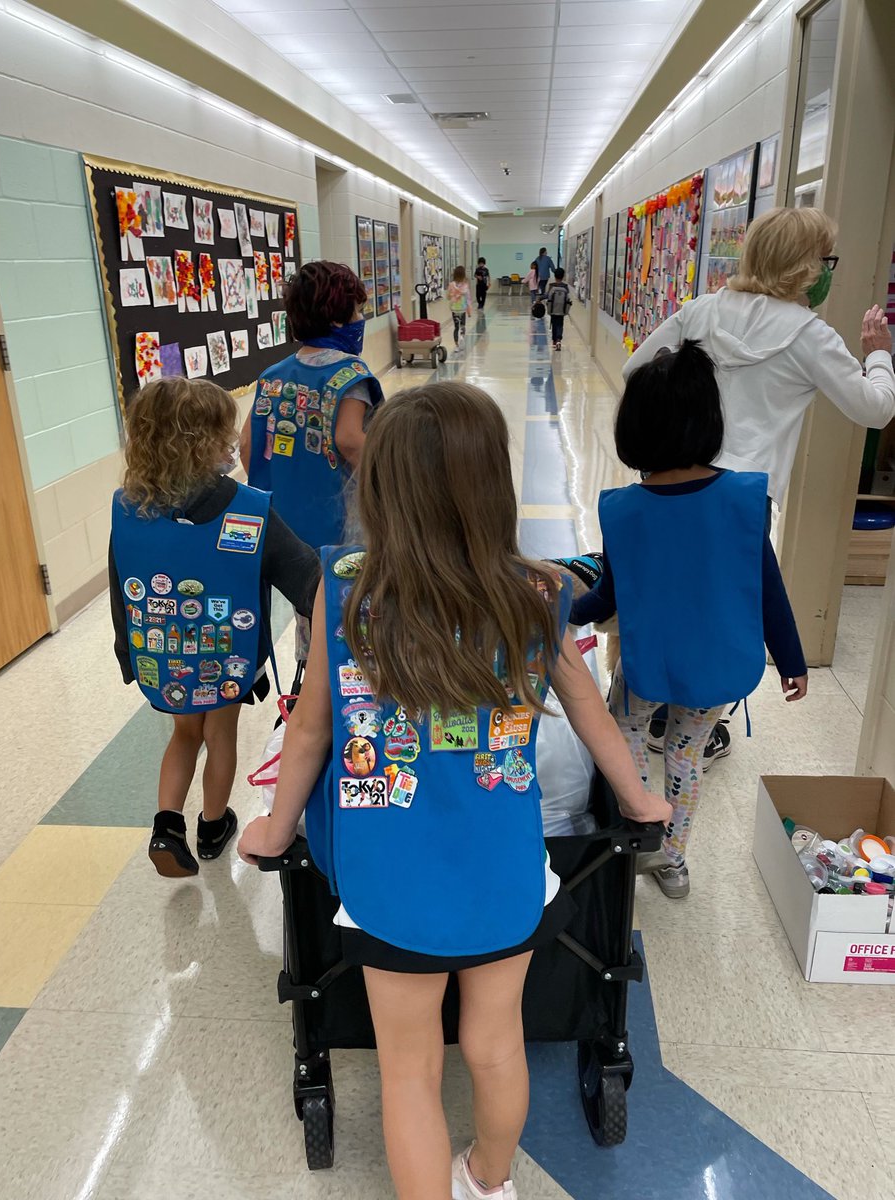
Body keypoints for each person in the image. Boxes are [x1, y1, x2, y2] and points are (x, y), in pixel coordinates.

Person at [238, 382, 671, 1200]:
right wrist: (640, 800)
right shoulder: (537, 593)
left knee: (407, 1071)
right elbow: (588, 713)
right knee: (495, 1045)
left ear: (379, 490)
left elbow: (309, 732)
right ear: (491, 488)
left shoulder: (349, 590)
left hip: (386, 881)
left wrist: (271, 825)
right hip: (502, 875)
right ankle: (490, 1178)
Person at [623, 206, 895, 760]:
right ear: (803, 266)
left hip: (673, 483)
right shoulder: (809, 335)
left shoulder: (700, 312)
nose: (828, 271)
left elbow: (636, 373)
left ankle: (648, 715)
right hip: (745, 501)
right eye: (826, 260)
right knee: (724, 611)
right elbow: (875, 409)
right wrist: (880, 356)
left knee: (667, 597)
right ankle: (699, 722)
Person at [571, 341, 808, 898]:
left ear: (634, 429)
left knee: (621, 738)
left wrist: (561, 610)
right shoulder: (748, 500)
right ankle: (672, 862)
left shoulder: (625, 510)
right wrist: (791, 661)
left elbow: (608, 599)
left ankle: (625, 841)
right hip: (716, 668)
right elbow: (767, 590)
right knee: (685, 757)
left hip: (647, 665)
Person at [109, 377, 319, 878]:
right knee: (220, 732)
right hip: (227, 657)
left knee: (183, 733)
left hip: (159, 656)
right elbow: (309, 579)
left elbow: (123, 590)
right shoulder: (249, 509)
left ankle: (165, 825)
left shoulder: (127, 508)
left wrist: (128, 657)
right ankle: (212, 825)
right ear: (208, 441)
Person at [240, 260, 384, 551]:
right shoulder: (350, 373)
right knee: (341, 592)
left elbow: (246, 443)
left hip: (283, 523)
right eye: (356, 310)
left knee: (303, 593)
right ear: (337, 319)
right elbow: (350, 441)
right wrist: (392, 482)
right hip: (338, 525)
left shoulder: (272, 377)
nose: (360, 318)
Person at [447, 264, 472, 350]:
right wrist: (469, 311)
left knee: (456, 327)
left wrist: (453, 294)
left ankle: (457, 345)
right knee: (462, 326)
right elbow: (468, 298)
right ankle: (461, 340)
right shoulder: (465, 285)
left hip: (454, 309)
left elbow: (448, 297)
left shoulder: (451, 285)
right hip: (462, 309)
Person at [546, 267, 571, 351]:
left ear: (555, 276)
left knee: (554, 324)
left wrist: (539, 299)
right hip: (562, 309)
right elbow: (568, 298)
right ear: (563, 276)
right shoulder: (565, 286)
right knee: (560, 324)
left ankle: (554, 341)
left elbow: (547, 295)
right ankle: (559, 340)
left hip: (553, 309)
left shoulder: (551, 286)